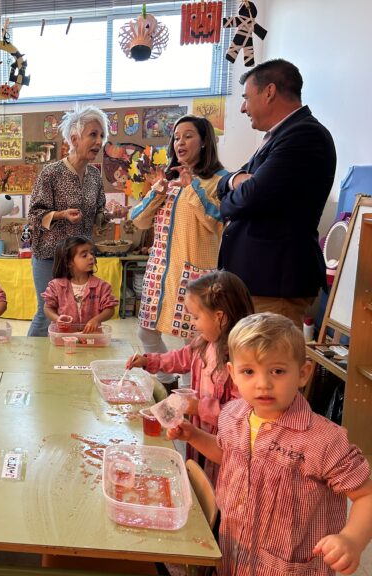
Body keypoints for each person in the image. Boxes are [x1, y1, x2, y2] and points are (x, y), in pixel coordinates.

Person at [168, 313, 372, 576]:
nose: (263, 384)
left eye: (277, 371)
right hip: (233, 555)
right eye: (248, 371)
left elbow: (366, 495)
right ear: (233, 373)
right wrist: (194, 436)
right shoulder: (231, 415)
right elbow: (228, 455)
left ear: (303, 373)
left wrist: (352, 539)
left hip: (290, 569)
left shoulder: (324, 440)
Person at [217, 59, 336, 326]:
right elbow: (223, 185)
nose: (243, 107)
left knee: (269, 353)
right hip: (257, 281)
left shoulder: (304, 135)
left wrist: (235, 190)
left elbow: (249, 198)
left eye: (246, 98)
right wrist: (235, 181)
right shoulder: (278, 137)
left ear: (269, 92)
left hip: (275, 284)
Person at [126, 270, 253, 482]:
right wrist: (149, 361)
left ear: (220, 317)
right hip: (198, 438)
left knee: (212, 487)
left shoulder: (242, 361)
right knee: (196, 476)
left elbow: (242, 415)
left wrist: (199, 407)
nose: (193, 323)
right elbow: (180, 358)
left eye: (196, 317)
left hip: (223, 450)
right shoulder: (204, 342)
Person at [130, 115, 227, 389]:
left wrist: (192, 187)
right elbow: (139, 220)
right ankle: (167, 383)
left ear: (204, 141)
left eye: (188, 136)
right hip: (160, 272)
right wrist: (157, 192)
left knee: (194, 340)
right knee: (146, 331)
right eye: (176, 137)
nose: (180, 142)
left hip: (195, 275)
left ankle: (189, 392)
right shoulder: (169, 178)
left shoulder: (218, 180)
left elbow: (216, 222)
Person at [26, 105, 128, 336]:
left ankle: (67, 352)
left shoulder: (95, 176)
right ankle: (34, 356)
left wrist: (112, 215)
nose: (99, 141)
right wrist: (61, 215)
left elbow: (98, 215)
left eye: (101, 135)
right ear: (74, 139)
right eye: (93, 134)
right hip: (49, 256)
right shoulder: (51, 173)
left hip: (80, 259)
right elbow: (34, 214)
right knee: (47, 311)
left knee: (76, 312)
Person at [42, 236, 118, 333]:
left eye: (91, 253)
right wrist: (57, 319)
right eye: (84, 255)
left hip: (92, 337)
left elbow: (110, 309)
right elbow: (48, 308)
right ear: (69, 262)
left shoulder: (101, 286)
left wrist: (96, 320)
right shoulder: (56, 286)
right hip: (65, 336)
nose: (91, 257)